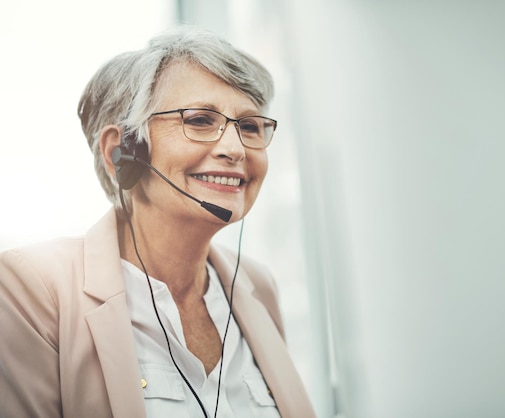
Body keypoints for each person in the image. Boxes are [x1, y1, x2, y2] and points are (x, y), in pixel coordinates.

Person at [0, 26, 316, 418]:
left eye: (250, 127)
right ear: (123, 151)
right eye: (200, 120)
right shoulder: (33, 288)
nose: (235, 149)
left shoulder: (258, 286)